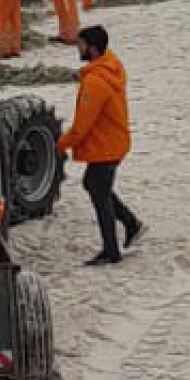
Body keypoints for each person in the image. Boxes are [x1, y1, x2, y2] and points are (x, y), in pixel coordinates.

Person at [59, 22, 141, 265]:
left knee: (99, 193)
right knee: (95, 185)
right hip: (115, 140)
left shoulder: (95, 82)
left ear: (93, 49)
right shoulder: (112, 67)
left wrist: (61, 144)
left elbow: (82, 124)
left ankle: (111, 250)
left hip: (106, 145)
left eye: (81, 45)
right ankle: (130, 223)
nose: (78, 49)